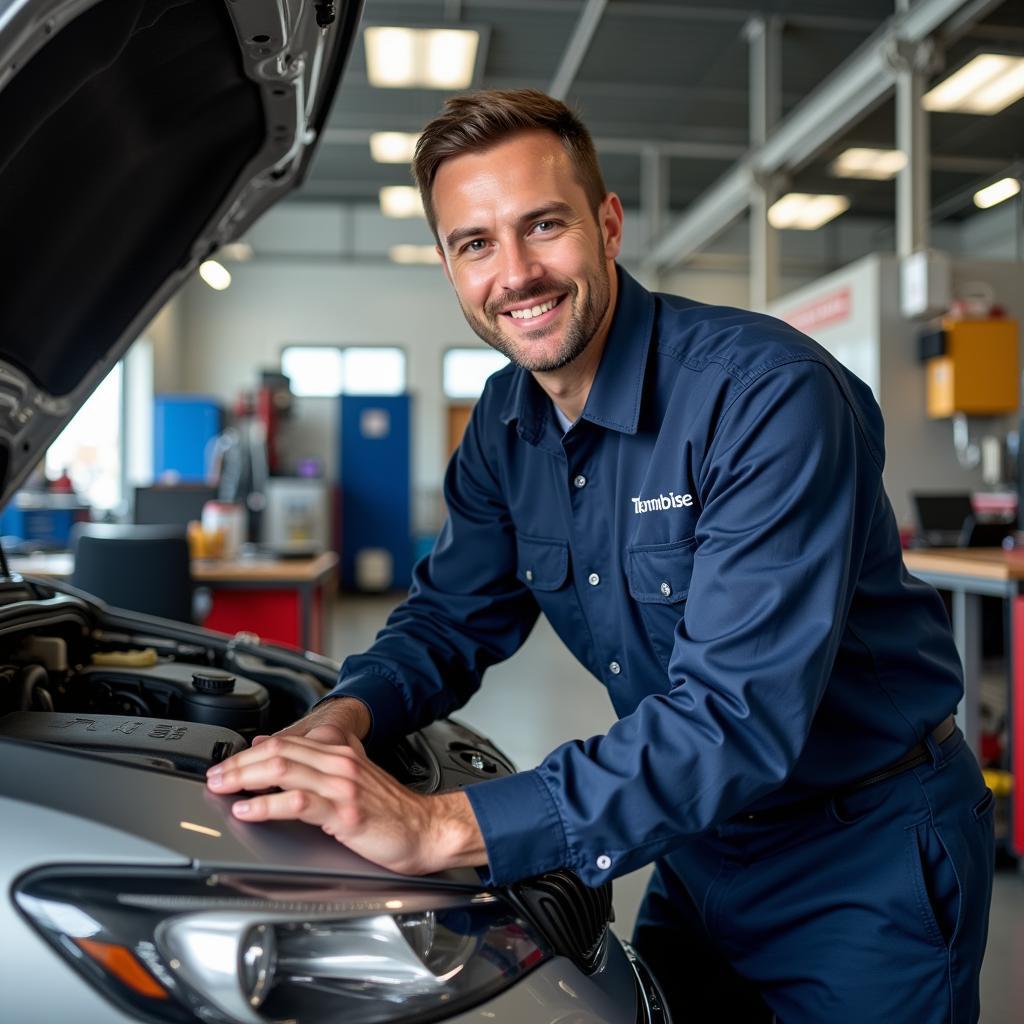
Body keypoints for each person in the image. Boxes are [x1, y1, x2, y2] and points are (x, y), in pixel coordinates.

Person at [207, 89, 994, 1021]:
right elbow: (451, 616)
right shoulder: (504, 423)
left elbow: (734, 718)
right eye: (476, 243)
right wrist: (344, 715)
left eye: (543, 225)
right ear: (451, 268)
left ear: (608, 224)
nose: (516, 273)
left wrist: (438, 827)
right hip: (696, 846)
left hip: (861, 856)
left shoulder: (766, 398)